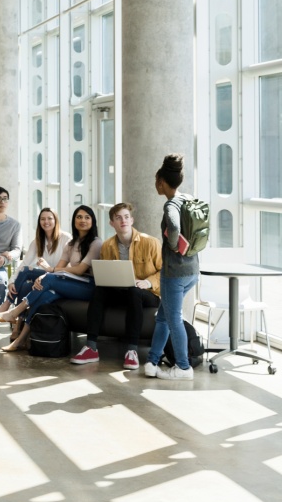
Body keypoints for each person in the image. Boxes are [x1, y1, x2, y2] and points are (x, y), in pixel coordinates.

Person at [0, 206, 102, 351]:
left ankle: (14, 312)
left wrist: (50, 271)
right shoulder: (70, 244)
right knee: (44, 295)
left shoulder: (96, 242)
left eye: (87, 217)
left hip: (89, 286)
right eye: (79, 217)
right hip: (71, 283)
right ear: (74, 220)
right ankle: (20, 339)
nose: (83, 220)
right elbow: (58, 269)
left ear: (93, 221)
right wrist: (46, 274)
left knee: (48, 280)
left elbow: (80, 270)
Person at [69, 202, 162, 370]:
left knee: (134, 291)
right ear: (112, 223)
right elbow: (106, 273)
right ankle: (91, 347)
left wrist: (147, 282)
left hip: (148, 293)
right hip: (121, 292)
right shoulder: (108, 246)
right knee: (99, 290)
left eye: (126, 217)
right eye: (118, 218)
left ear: (132, 220)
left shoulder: (151, 243)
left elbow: (165, 272)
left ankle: (132, 351)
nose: (123, 221)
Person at [145, 153, 200, 380]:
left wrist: (172, 245)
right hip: (192, 270)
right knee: (163, 317)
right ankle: (152, 362)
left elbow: (174, 228)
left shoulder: (170, 206)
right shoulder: (188, 198)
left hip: (174, 274)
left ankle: (184, 367)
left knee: (173, 318)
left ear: (160, 181)